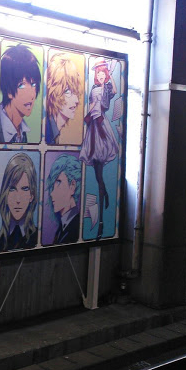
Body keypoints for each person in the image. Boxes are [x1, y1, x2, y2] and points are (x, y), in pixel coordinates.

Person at [79, 58, 119, 239]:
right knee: (97, 173)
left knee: (99, 171)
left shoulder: (107, 88)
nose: (101, 76)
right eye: (99, 73)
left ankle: (102, 217)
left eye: (104, 73)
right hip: (93, 126)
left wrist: (112, 78)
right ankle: (105, 192)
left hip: (102, 125)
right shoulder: (94, 89)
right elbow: (90, 105)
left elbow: (114, 92)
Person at [0, 152, 38, 252]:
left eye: (25, 189)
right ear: (5, 194)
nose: (18, 200)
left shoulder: (39, 238)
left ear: (32, 195)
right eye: (12, 189)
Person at [0, 44, 41, 143]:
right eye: (21, 85)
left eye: (33, 84)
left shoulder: (22, 130)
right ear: (8, 90)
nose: (31, 95)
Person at [45, 53, 83, 145]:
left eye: (75, 92)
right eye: (67, 91)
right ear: (53, 92)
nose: (76, 100)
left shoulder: (53, 131)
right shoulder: (46, 133)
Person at [46, 154, 81, 244]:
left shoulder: (77, 227)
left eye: (58, 182)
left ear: (72, 186)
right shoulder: (62, 227)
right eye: (52, 185)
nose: (52, 193)